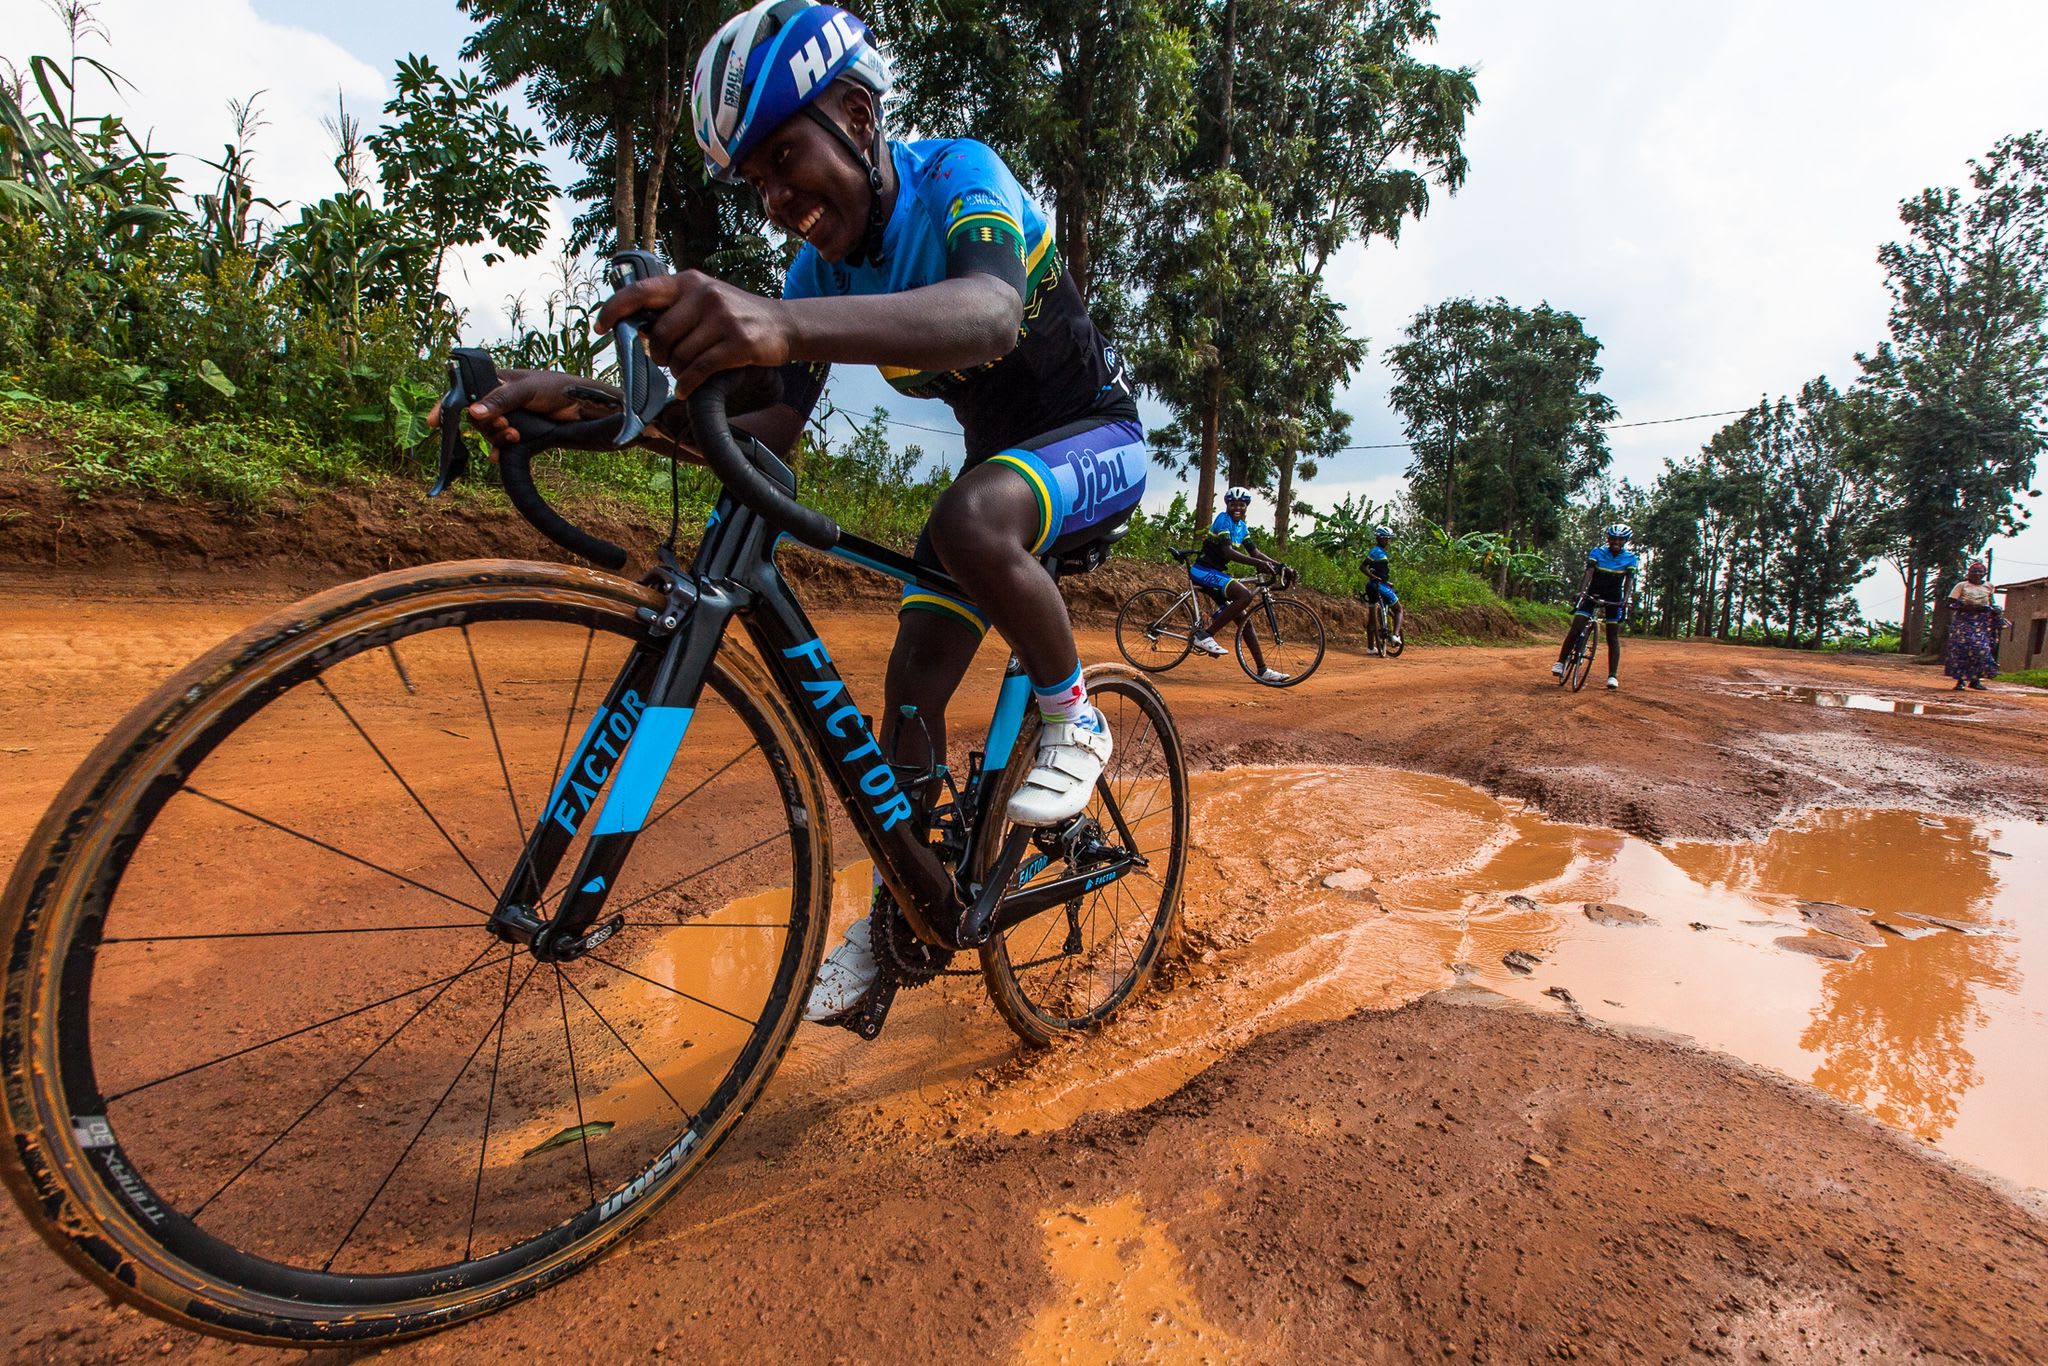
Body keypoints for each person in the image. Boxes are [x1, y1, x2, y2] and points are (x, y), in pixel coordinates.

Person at [443, 0, 1145, 1025]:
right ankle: (905, 908)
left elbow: (989, 314)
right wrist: (596, 407)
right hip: (995, 480)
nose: (776, 198)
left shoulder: (960, 179)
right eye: (756, 182)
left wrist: (771, 321)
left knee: (969, 519)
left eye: (783, 155)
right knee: (908, 684)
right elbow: (770, 421)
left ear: (857, 114)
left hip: (1093, 442)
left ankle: (1069, 713)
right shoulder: (818, 269)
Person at [1188, 486, 1293, 682]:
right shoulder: (1223, 519)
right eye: (1233, 504)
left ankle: (1262, 671)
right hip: (1202, 571)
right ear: (1227, 505)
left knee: (1246, 622)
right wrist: (1260, 564)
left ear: (1246, 507)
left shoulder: (1242, 527)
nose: (1237, 507)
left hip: (1215, 573)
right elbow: (1227, 552)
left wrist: (1281, 567)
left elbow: (1256, 553)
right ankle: (1204, 635)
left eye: (1241, 505)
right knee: (1244, 595)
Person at [1553, 524, 1637, 690]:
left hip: (1614, 598)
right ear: (1608, 539)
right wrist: (1581, 592)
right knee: (1576, 627)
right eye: (1613, 538)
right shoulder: (1597, 552)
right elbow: (1589, 572)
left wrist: (1625, 600)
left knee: (1613, 637)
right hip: (1593, 594)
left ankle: (1612, 676)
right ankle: (1561, 662)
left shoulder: (1630, 558)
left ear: (1625, 541)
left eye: (1620, 539)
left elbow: (1629, 581)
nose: (1616, 541)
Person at [1943, 560, 2002, 690]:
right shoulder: (1962, 585)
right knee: (1962, 648)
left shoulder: (1989, 586)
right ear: (1969, 573)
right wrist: (1966, 608)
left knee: (1980, 649)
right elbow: (1950, 603)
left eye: (1979, 572)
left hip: (1982, 622)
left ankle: (1976, 680)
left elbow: (1990, 602)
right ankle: (1960, 681)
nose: (1976, 574)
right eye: (1973, 571)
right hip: (1964, 620)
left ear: (1984, 573)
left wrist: (1994, 611)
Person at [1360, 527, 1403, 656]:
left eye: (1389, 538)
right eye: (1385, 538)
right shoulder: (1376, 551)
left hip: (1372, 586)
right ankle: (1395, 635)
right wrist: (1375, 578)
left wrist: (1377, 578)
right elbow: (1362, 567)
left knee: (1372, 618)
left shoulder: (1377, 552)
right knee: (1399, 609)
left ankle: (1370, 647)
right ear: (1379, 538)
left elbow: (1373, 570)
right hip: (1379, 586)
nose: (1387, 541)